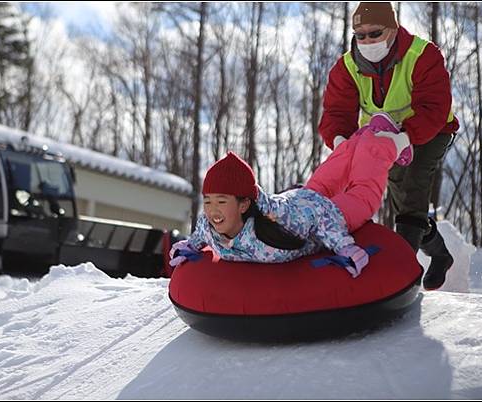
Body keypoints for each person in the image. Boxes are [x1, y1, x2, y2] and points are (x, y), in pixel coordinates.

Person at [318, 2, 460, 290]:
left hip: (432, 131)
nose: (367, 41)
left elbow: (434, 106)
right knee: (405, 206)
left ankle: (401, 276)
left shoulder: (422, 55)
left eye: (375, 33)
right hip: (382, 138)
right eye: (361, 35)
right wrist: (341, 142)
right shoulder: (346, 67)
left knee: (414, 185)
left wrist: (405, 138)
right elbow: (336, 113)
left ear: (393, 29)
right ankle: (441, 255)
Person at [169, 112, 411, 279]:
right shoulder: (210, 226)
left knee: (363, 193)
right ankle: (354, 143)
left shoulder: (276, 226)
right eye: (208, 201)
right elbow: (201, 231)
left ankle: (388, 141)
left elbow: (319, 214)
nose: (213, 211)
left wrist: (344, 246)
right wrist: (188, 245)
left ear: (244, 205)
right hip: (300, 198)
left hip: (317, 211)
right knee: (325, 179)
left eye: (221, 202)